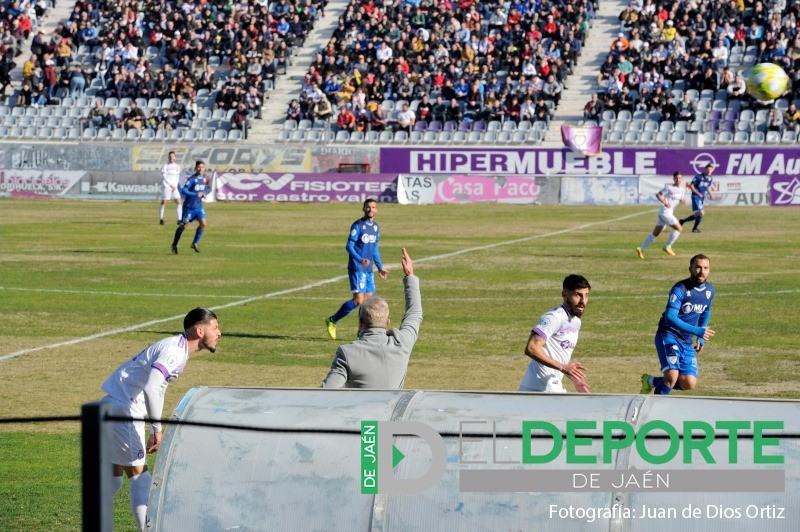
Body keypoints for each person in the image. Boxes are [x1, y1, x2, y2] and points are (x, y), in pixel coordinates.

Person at [101, 308, 222, 531]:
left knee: (113, 477)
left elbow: (157, 389)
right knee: (140, 478)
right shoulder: (174, 352)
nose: (219, 333)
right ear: (199, 330)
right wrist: (156, 428)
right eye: (215, 327)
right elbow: (151, 387)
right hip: (124, 409)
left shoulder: (176, 347)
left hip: (112, 405)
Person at [321, 248, 421, 388]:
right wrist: (410, 275)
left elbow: (325, 392)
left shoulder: (347, 353)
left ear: (361, 323)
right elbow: (414, 313)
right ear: (387, 323)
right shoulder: (402, 343)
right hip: (392, 410)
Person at [641, 255, 715, 395]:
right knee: (671, 377)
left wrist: (700, 337)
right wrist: (697, 331)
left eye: (706, 268)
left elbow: (706, 310)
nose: (702, 271)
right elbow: (670, 318)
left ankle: (651, 381)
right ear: (690, 269)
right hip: (669, 335)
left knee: (689, 383)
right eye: (698, 267)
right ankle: (656, 411)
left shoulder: (710, 291)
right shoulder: (680, 289)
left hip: (686, 341)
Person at [325, 198, 388, 340]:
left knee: (368, 303)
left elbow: (375, 249)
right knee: (359, 301)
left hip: (369, 269)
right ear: (363, 208)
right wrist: (359, 259)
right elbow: (349, 246)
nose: (370, 209)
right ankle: (332, 320)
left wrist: (379, 267)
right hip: (357, 267)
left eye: (373, 207)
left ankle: (362, 332)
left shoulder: (376, 227)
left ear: (376, 210)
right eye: (368, 207)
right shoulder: (357, 225)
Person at [519, 274, 592, 393]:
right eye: (578, 295)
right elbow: (532, 348)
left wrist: (573, 377)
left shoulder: (576, 321)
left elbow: (555, 354)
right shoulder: (554, 318)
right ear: (564, 294)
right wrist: (563, 367)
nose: (583, 301)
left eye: (586, 295)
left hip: (545, 385)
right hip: (542, 387)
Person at [636, 171, 686, 258]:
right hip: (665, 212)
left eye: (680, 178)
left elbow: (681, 199)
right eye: (676, 178)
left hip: (667, 212)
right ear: (673, 179)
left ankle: (641, 248)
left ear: (682, 179)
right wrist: (664, 202)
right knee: (679, 229)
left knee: (656, 233)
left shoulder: (682, 190)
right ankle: (667, 246)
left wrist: (683, 201)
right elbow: (658, 195)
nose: (678, 179)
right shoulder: (669, 187)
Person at [172, 161, 210, 254]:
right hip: (189, 207)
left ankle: (195, 243)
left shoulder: (204, 178)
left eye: (202, 167)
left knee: (203, 224)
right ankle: (174, 245)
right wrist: (195, 194)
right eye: (199, 167)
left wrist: (202, 195)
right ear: (195, 168)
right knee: (183, 226)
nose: (200, 169)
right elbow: (184, 190)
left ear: (204, 168)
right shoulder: (192, 179)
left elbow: (200, 191)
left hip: (198, 207)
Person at [679, 163, 714, 233]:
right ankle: (695, 229)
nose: (709, 171)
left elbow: (707, 187)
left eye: (711, 170)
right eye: (708, 169)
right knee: (701, 213)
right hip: (695, 197)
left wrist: (711, 194)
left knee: (697, 214)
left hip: (701, 198)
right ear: (705, 169)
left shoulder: (710, 178)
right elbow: (691, 186)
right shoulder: (698, 177)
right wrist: (697, 193)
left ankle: (682, 221)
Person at [159, 151, 183, 225]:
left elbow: (177, 177)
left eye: (173, 156)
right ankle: (161, 218)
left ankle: (179, 219)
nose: (171, 157)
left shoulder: (177, 166)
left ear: (175, 157)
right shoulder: (165, 166)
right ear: (168, 157)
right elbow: (164, 176)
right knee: (164, 202)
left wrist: (175, 185)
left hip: (174, 187)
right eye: (170, 156)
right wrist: (170, 185)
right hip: (167, 186)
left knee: (179, 202)